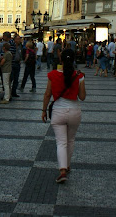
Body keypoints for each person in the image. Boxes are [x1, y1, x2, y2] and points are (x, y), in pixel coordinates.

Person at [41, 49, 86, 184]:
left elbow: (47, 94)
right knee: (70, 140)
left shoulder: (53, 74)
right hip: (74, 112)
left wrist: (44, 110)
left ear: (61, 60)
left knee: (61, 142)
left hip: (58, 112)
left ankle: (62, 170)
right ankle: (67, 165)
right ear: (73, 60)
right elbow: (82, 97)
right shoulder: (79, 75)